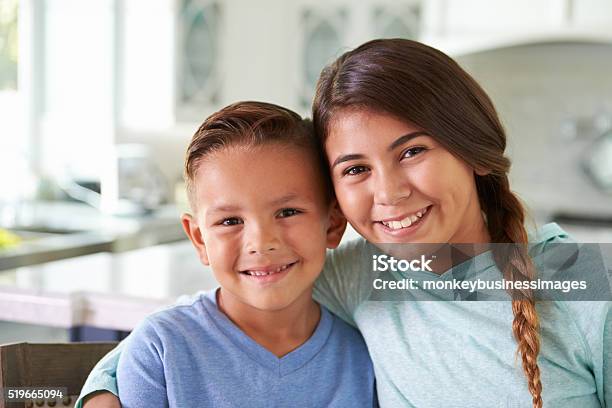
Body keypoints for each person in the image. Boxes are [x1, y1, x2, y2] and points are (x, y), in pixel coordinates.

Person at [79, 39, 611, 408]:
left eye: (413, 151)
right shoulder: (364, 275)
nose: (389, 192)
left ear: (473, 148)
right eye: (355, 168)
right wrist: (103, 390)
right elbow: (195, 326)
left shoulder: (584, 284)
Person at [102, 101, 377, 408]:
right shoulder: (160, 349)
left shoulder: (364, 357)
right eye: (230, 221)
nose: (261, 242)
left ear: (333, 223)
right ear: (199, 239)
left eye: (288, 212)